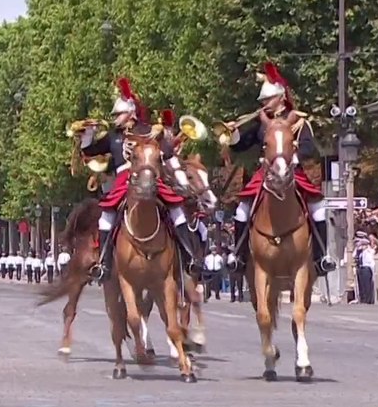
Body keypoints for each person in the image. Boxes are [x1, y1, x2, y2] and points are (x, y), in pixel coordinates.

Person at [78, 78, 202, 280]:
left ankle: (190, 256)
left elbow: (168, 152)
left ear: (130, 113)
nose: (115, 118)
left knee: (176, 210)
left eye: (118, 114)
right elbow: (90, 151)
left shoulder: (148, 131)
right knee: (106, 217)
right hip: (123, 181)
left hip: (149, 176)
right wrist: (87, 136)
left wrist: (182, 181)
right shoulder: (113, 137)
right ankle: (104, 262)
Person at [221, 62, 336, 275]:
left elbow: (309, 147)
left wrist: (290, 160)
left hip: (292, 171)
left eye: (267, 99)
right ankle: (239, 255)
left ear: (281, 97)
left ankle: (322, 256)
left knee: (318, 206)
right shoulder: (261, 123)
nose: (264, 103)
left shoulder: (298, 121)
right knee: (242, 209)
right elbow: (240, 145)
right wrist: (233, 132)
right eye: (262, 100)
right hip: (265, 173)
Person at [356, 233, 377, 305]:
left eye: (363, 245)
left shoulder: (369, 251)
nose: (362, 246)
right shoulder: (360, 252)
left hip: (367, 269)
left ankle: (367, 300)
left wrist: (373, 272)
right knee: (362, 285)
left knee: (367, 285)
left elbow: (371, 263)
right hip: (361, 268)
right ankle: (363, 298)